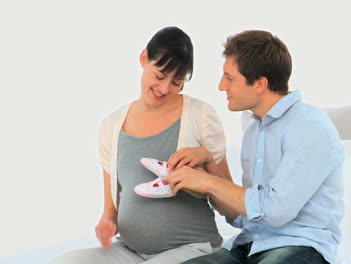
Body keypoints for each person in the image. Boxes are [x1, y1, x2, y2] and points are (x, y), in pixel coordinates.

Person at [50, 26, 232, 264]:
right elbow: (110, 211)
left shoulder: (201, 117)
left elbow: (231, 206)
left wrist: (206, 160)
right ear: (143, 58)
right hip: (130, 252)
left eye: (177, 82)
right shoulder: (111, 126)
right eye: (159, 76)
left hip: (192, 248)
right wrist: (106, 224)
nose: (165, 88)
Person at [167, 30, 345, 264]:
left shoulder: (310, 127)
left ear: (260, 84)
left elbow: (274, 210)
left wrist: (208, 182)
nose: (221, 86)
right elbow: (243, 213)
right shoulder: (253, 129)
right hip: (249, 245)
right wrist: (208, 163)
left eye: (229, 78)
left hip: (300, 244)